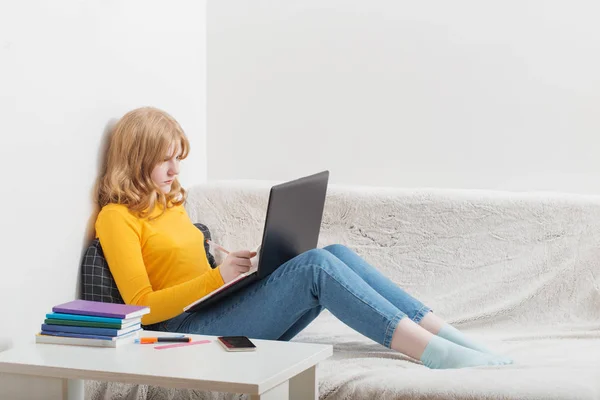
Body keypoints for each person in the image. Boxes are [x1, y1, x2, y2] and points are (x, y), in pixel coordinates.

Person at [95, 107, 513, 369]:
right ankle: (434, 354)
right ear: (136, 160)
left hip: (210, 312)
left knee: (334, 252)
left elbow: (190, 274)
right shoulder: (116, 218)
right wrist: (215, 279)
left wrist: (239, 272)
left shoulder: (169, 205)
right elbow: (142, 307)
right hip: (183, 333)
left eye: (177, 158)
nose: (175, 169)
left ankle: (449, 336)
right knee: (316, 268)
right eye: (164, 160)